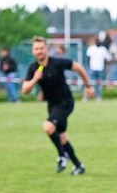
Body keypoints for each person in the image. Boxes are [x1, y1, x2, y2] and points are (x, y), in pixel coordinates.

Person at [22, 36, 93, 175]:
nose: (39, 51)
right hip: (52, 105)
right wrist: (35, 79)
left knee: (48, 127)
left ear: (46, 49)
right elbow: (24, 90)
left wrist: (88, 86)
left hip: (65, 102)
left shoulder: (57, 63)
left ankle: (62, 155)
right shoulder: (34, 68)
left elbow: (78, 67)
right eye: (36, 49)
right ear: (33, 51)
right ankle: (78, 166)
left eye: (41, 48)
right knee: (62, 137)